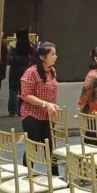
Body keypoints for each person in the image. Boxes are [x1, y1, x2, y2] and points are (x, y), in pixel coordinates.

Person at [20, 41, 60, 175]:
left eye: (55, 54)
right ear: (42, 57)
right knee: (32, 148)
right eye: (52, 54)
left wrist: (51, 105)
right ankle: (27, 175)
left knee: (50, 148)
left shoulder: (52, 71)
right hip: (32, 115)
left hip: (47, 116)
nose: (55, 57)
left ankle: (55, 176)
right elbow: (26, 95)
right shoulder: (31, 72)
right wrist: (44, 103)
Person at [8, 29, 32, 117]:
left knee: (13, 89)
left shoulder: (13, 45)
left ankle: (12, 110)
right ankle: (21, 110)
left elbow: (9, 58)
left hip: (14, 70)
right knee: (23, 90)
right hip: (25, 70)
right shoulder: (30, 46)